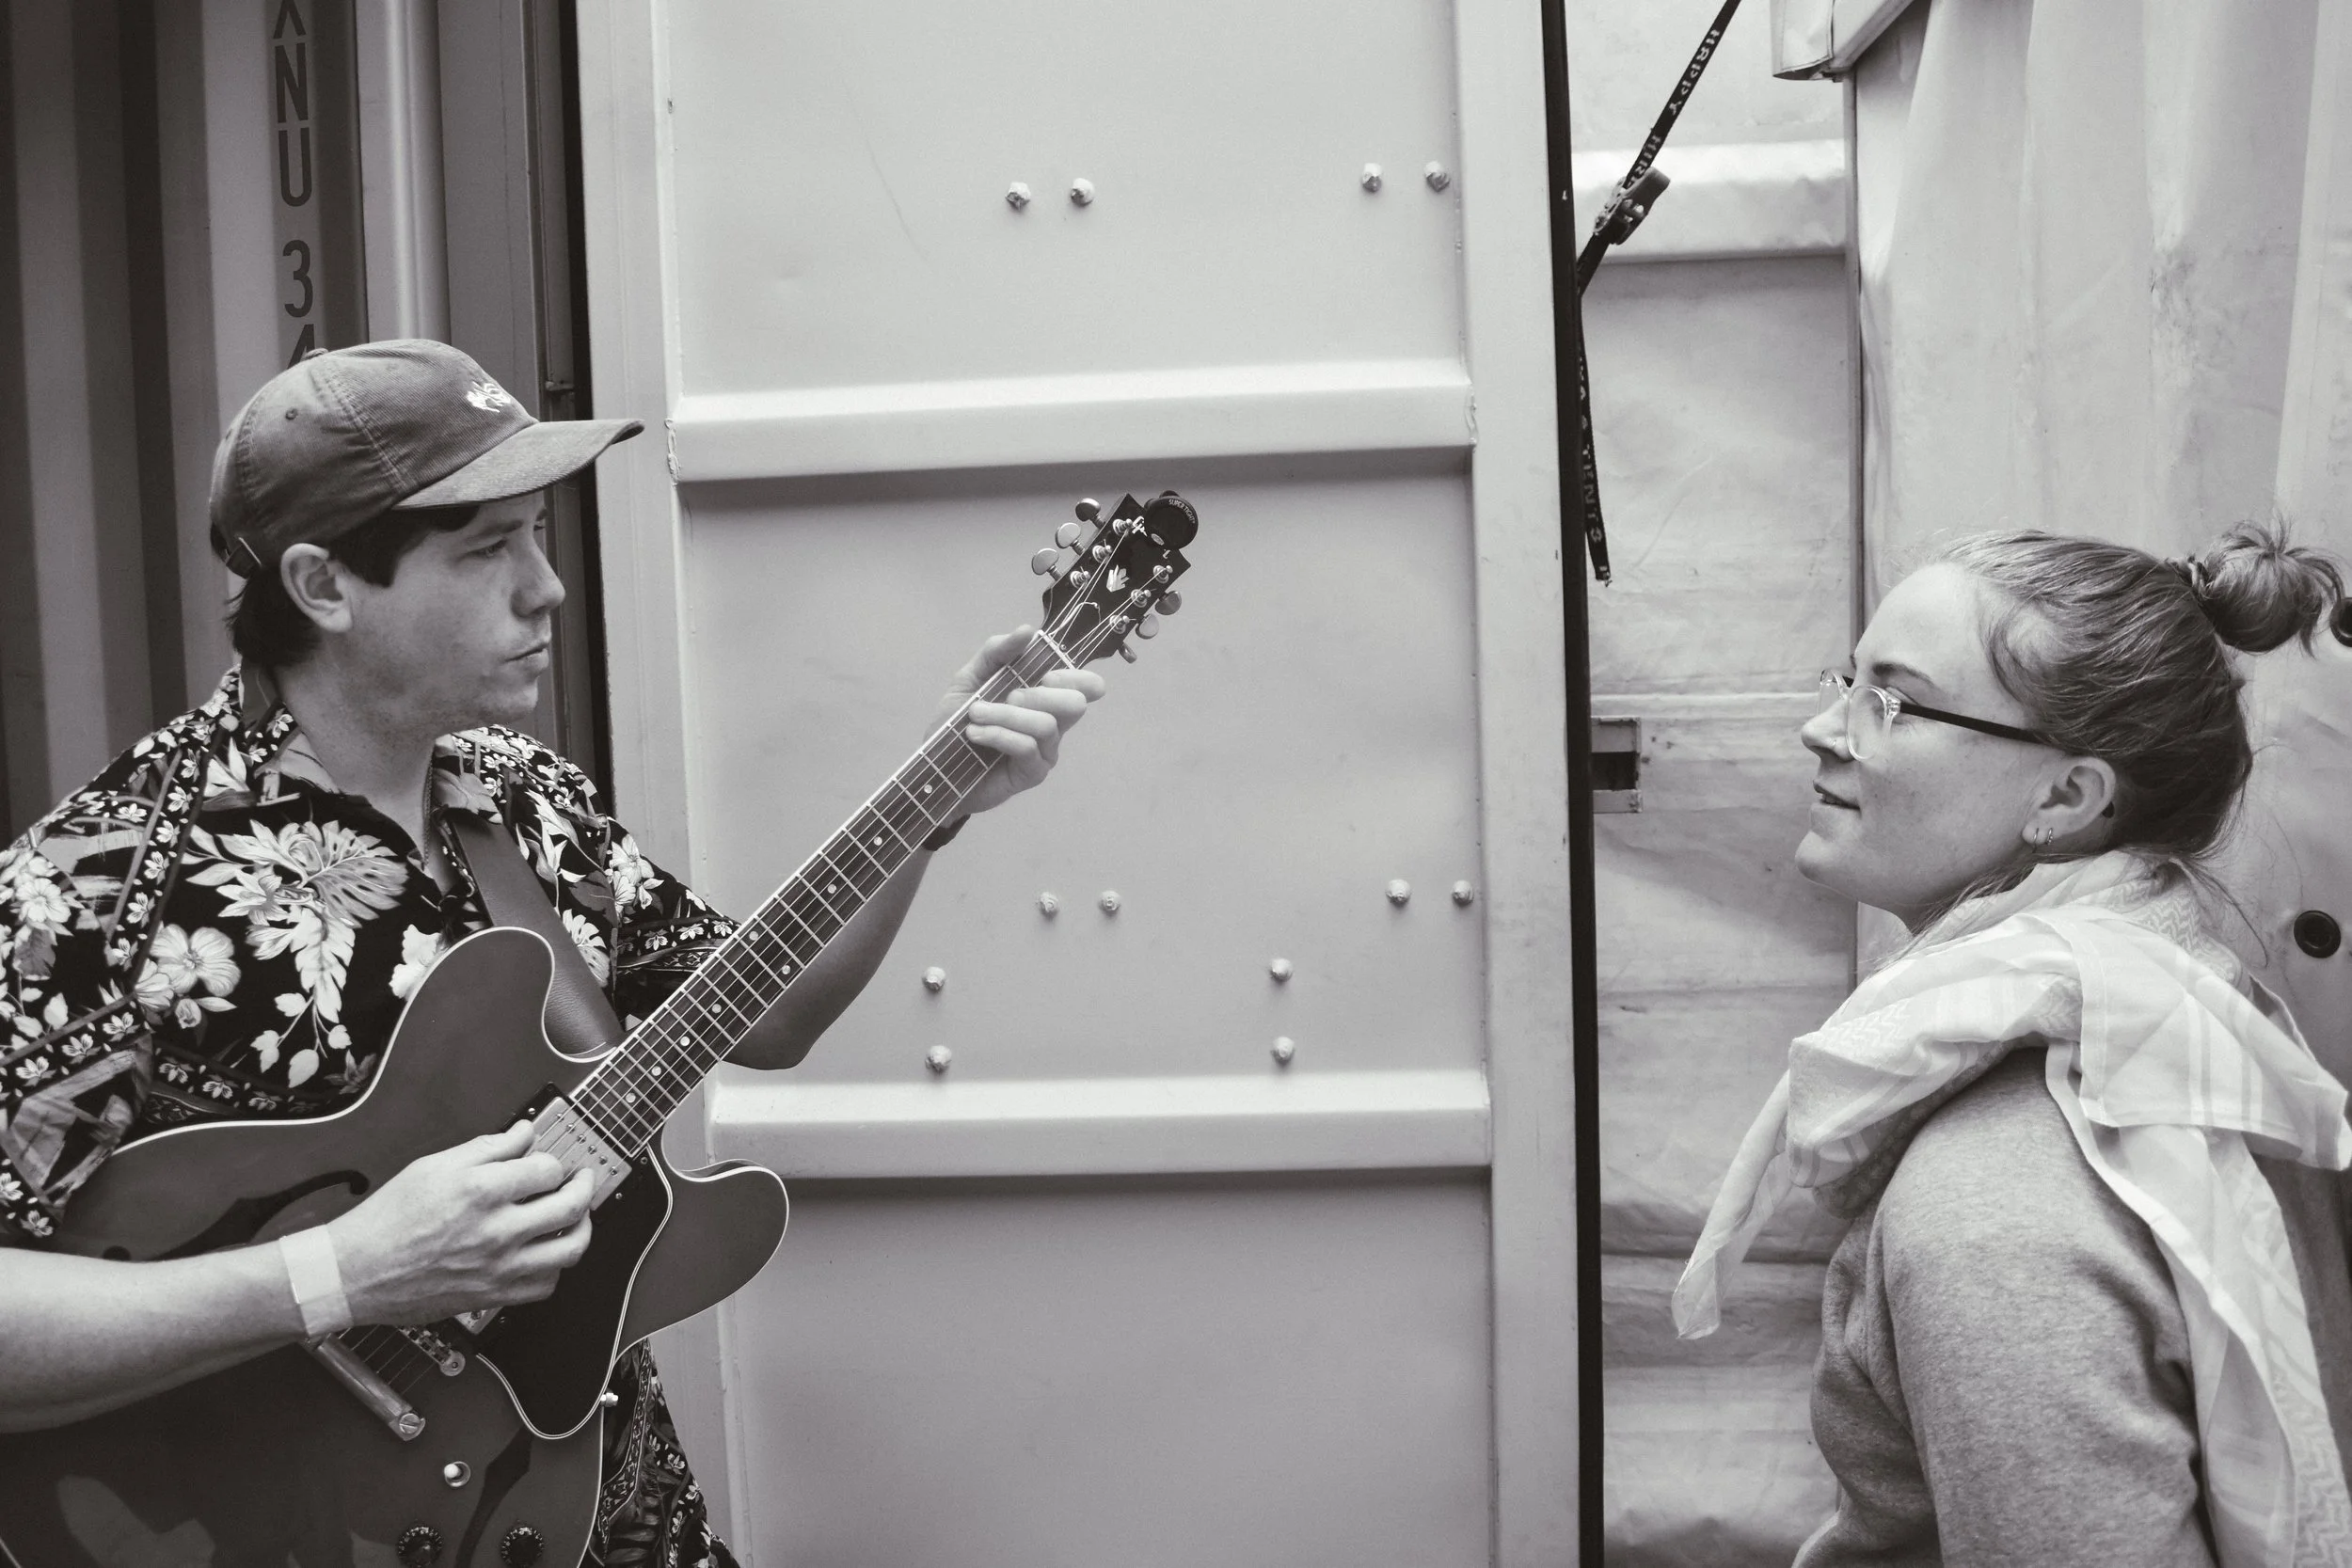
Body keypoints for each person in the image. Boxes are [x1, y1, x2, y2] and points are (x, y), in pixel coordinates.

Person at [0, 341, 1104, 1563]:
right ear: (322, 583)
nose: (549, 588)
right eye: (488, 550)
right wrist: (340, 1270)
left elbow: (763, 1014)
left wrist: (936, 801)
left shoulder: (517, 798)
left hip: (596, 1509)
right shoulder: (97, 888)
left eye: (537, 534)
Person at [1674, 523, 2352, 1567]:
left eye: (1889, 700)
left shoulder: (1995, 1208)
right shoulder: (2202, 1019)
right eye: (1846, 678)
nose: (1821, 726)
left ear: (2065, 797)